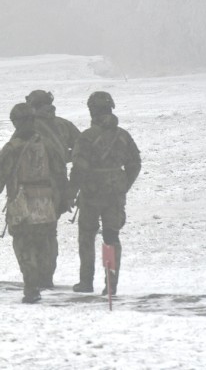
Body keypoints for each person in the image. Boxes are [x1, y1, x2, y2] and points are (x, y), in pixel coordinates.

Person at [0, 104, 68, 303]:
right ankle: (45, 280)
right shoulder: (49, 145)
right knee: (46, 242)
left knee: (24, 246)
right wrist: (63, 199)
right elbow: (60, 174)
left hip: (21, 205)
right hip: (45, 203)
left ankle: (32, 286)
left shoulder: (11, 148)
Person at [71, 92, 141, 296]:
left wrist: (71, 192)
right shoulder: (123, 136)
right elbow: (134, 164)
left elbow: (79, 169)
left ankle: (86, 281)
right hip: (114, 196)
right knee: (111, 237)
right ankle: (111, 284)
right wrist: (122, 185)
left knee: (86, 236)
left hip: (91, 195)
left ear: (92, 110)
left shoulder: (86, 137)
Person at [26, 90, 81, 287]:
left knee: (32, 234)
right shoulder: (64, 125)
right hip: (58, 187)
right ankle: (47, 276)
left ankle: (37, 276)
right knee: (49, 233)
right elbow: (82, 148)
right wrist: (63, 158)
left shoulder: (28, 126)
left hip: (33, 187)